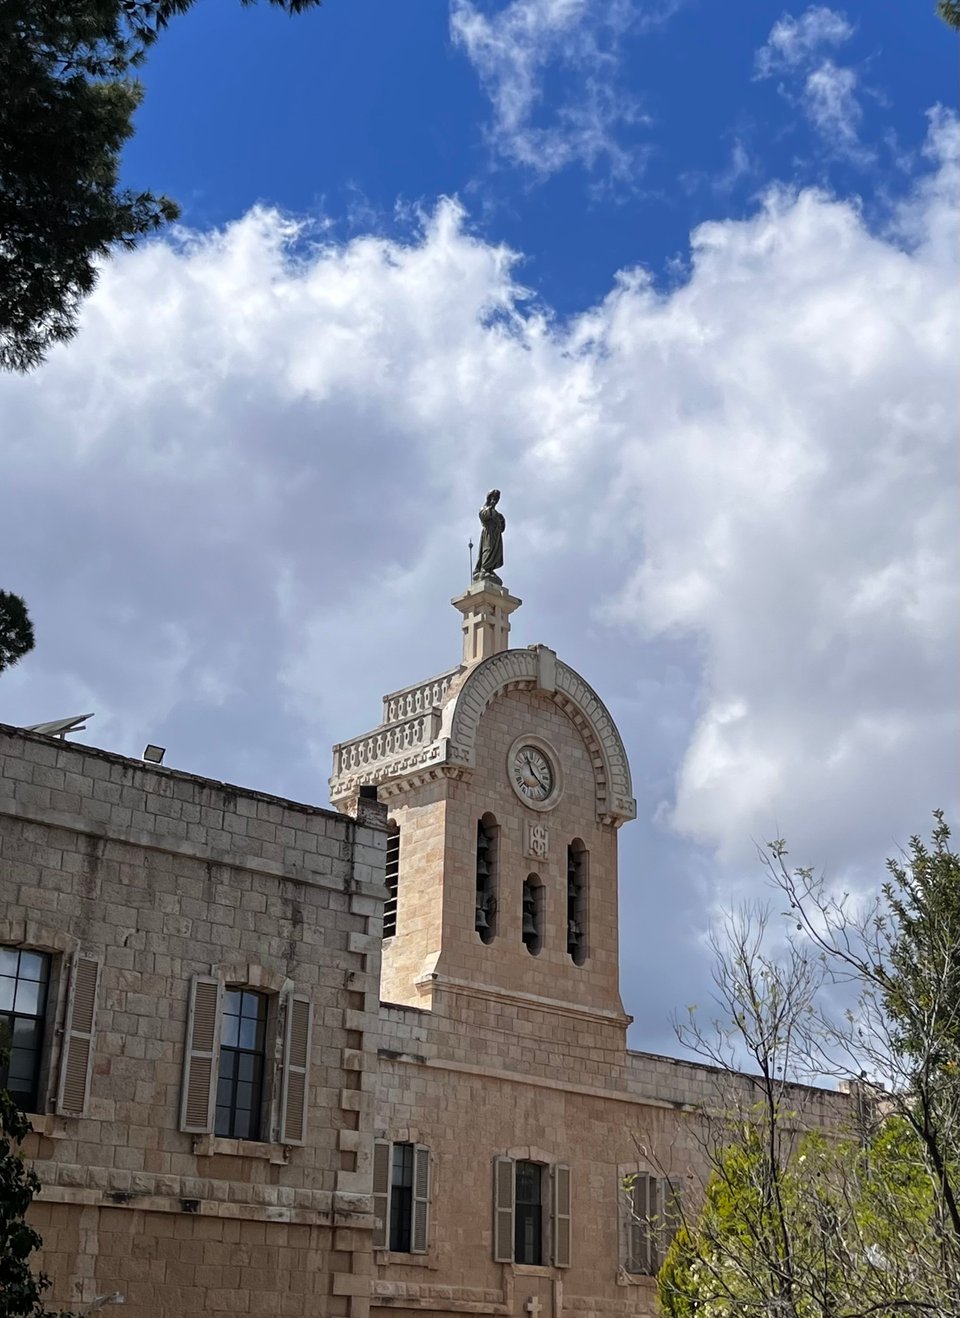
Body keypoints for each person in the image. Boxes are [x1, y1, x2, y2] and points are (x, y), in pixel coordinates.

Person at [473, 489, 505, 583]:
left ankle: (490, 570)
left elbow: (502, 525)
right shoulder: (484, 508)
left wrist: (501, 520)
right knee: (488, 549)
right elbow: (484, 516)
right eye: (494, 497)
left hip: (496, 534)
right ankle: (484, 569)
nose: (495, 500)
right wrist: (490, 507)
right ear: (489, 497)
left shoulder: (497, 513)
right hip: (488, 533)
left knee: (495, 552)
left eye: (497, 498)